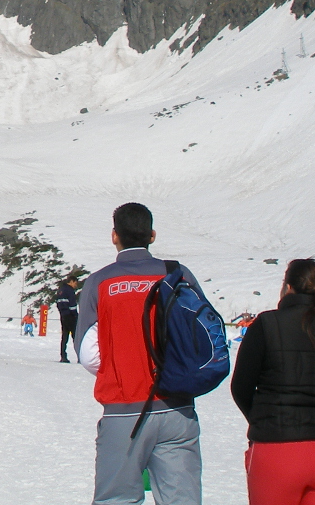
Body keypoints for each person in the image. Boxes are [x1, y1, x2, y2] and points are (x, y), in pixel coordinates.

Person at [75, 202, 207, 505]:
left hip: (125, 411)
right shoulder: (178, 274)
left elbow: (88, 354)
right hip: (177, 408)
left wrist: (121, 367)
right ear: (152, 235)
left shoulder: (100, 282)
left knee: (116, 499)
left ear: (114, 236)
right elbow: (201, 334)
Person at [231, 258, 315, 504]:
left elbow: (241, 387)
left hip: (278, 450)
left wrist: (263, 418)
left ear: (288, 287)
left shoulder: (267, 324)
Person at [56, 273, 81, 363]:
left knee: (65, 336)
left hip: (63, 316)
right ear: (71, 281)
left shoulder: (60, 290)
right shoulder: (70, 291)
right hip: (71, 316)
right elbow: (72, 305)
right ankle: (80, 357)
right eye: (75, 283)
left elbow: (58, 304)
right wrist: (76, 316)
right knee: (76, 337)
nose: (75, 285)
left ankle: (63, 356)